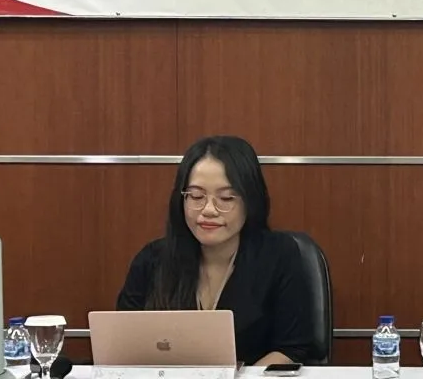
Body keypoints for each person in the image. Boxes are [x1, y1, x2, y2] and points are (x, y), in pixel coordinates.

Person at [116, 135, 317, 366]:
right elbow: (124, 346)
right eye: (196, 196)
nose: (209, 210)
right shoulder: (152, 260)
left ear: (250, 201)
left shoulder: (279, 255)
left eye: (226, 198)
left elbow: (292, 348)